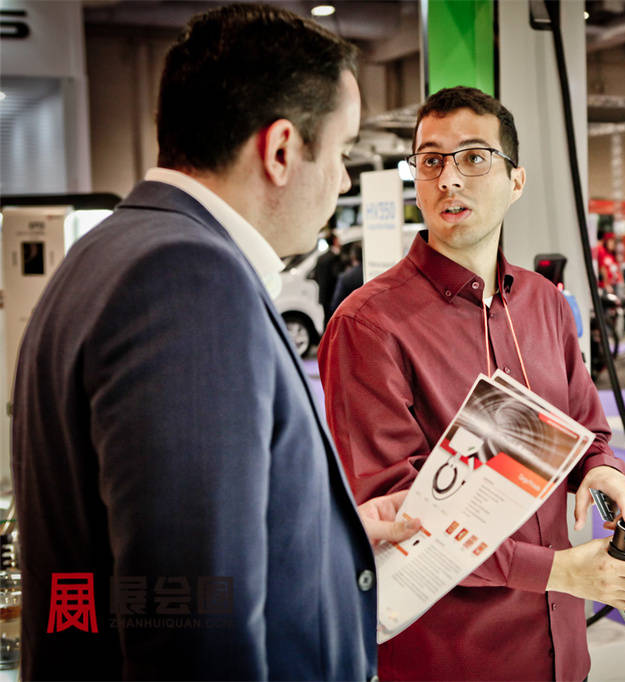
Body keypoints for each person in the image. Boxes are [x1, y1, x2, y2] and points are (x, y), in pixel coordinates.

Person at [10, 5, 418, 679]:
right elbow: (194, 629)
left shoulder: (108, 251)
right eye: (342, 152)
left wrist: (321, 538)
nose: (344, 179)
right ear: (281, 150)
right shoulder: (187, 279)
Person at [318, 86, 625, 681]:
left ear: (516, 181)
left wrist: (602, 471)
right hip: (452, 657)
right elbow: (398, 517)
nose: (449, 179)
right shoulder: (368, 326)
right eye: (431, 161)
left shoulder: (546, 304)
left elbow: (587, 430)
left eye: (474, 157)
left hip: (562, 651)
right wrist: (560, 571)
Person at [314, 230, 345, 319]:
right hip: (334, 295)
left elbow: (316, 276)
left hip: (324, 296)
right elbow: (337, 276)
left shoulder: (321, 258)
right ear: (335, 241)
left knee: (327, 319)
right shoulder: (336, 258)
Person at [331, 243, 364, 309]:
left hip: (351, 312)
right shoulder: (370, 274)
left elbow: (336, 304)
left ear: (352, 257)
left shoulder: (345, 277)